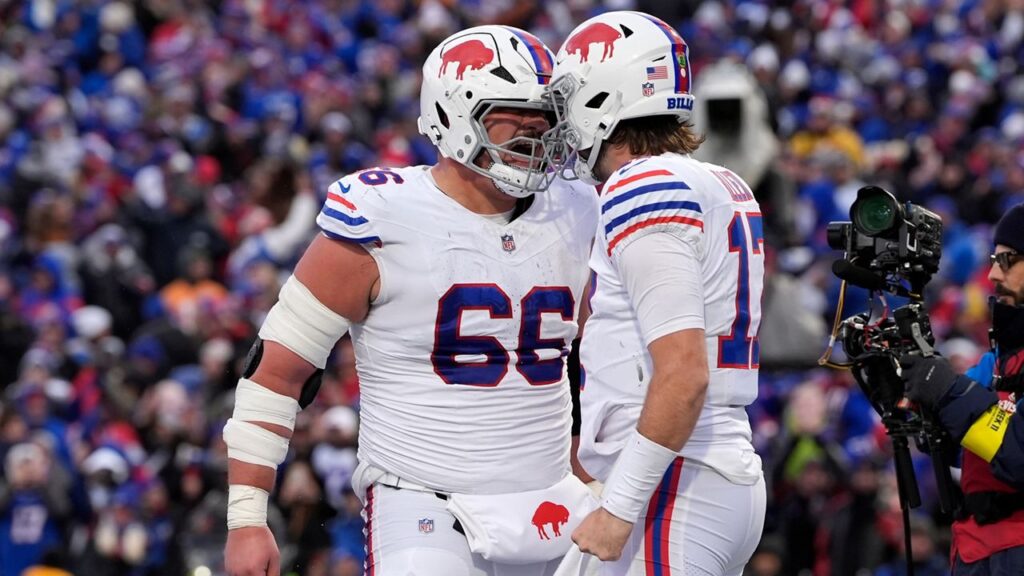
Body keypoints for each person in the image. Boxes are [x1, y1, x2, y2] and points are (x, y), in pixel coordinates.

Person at [223, 25, 599, 576]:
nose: (535, 127)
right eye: (512, 111)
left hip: (552, 498)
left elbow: (598, 360)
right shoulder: (383, 214)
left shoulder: (579, 207)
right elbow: (277, 373)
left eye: (544, 113)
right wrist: (247, 517)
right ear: (452, 114)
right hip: (423, 500)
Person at [546, 11, 765, 576]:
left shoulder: (642, 185)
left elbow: (684, 373)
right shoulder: (717, 179)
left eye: (570, 98)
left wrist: (620, 507)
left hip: (677, 480)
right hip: (692, 471)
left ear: (602, 98)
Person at [898, 203, 1024, 574]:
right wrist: (904, 391)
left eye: (1007, 260)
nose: (991, 274)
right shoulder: (1000, 357)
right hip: (974, 549)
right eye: (992, 260)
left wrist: (946, 391)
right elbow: (955, 444)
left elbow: (1017, 456)